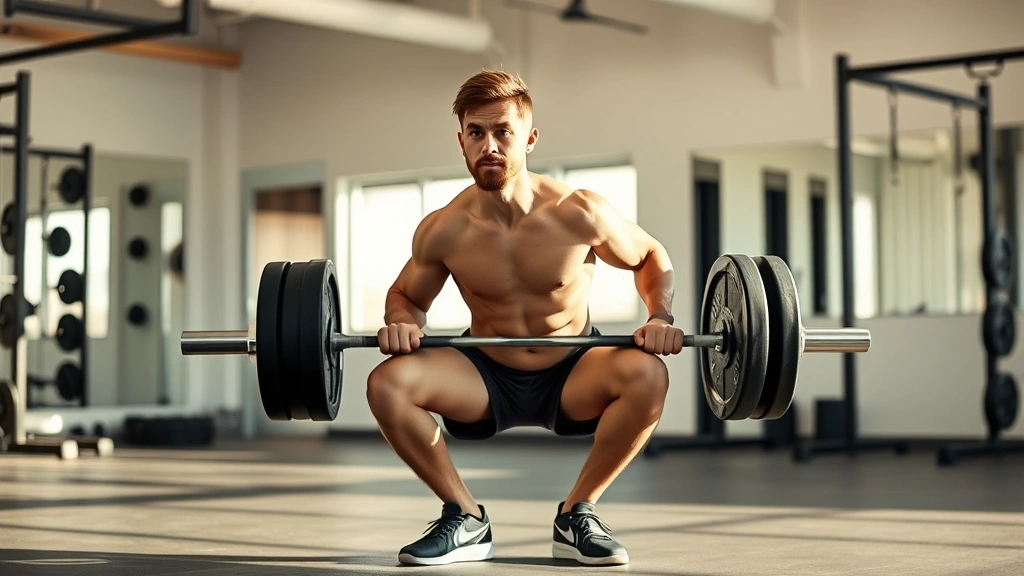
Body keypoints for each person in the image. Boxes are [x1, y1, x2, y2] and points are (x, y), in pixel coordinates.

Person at [366, 69, 683, 567]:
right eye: (476, 133)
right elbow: (405, 294)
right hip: (485, 373)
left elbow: (649, 257)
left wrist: (660, 314)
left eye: (503, 132)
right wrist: (400, 319)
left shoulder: (579, 213)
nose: (488, 145)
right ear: (461, 141)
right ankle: (465, 517)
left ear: (530, 138)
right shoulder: (444, 230)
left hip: (573, 368)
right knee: (387, 384)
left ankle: (578, 514)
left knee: (648, 374)